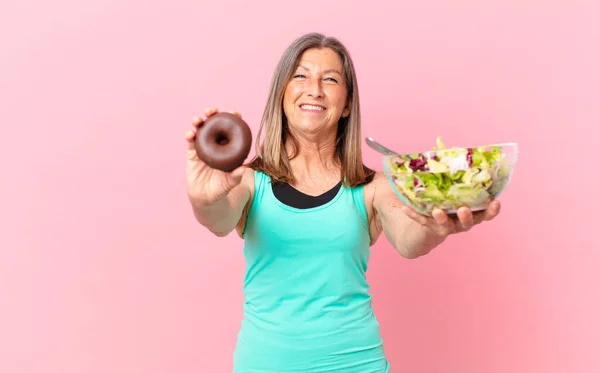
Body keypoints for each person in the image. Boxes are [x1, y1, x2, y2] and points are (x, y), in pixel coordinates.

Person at [184, 32, 501, 373]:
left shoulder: (372, 188)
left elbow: (411, 240)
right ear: (282, 94)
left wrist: (436, 224)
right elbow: (216, 219)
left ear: (347, 103)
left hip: (357, 364)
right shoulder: (247, 182)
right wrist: (203, 198)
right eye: (300, 75)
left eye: (331, 79)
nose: (315, 89)